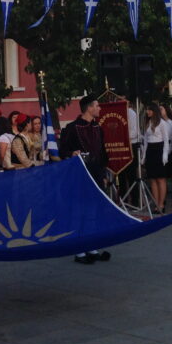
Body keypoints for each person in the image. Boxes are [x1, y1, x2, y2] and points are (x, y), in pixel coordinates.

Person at [59, 94, 111, 264]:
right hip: (80, 174)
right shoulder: (73, 128)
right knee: (80, 210)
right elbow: (62, 150)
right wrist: (71, 153)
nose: (100, 108)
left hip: (96, 173)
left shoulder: (97, 127)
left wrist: (103, 175)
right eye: (97, 105)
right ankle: (79, 250)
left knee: (93, 210)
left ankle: (92, 246)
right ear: (89, 108)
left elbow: (102, 154)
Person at [142, 103, 170, 212]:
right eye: (147, 110)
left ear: (155, 111)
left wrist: (165, 155)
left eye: (150, 110)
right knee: (152, 179)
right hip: (150, 150)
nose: (148, 112)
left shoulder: (162, 123)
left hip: (159, 150)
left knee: (161, 179)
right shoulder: (147, 122)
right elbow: (145, 140)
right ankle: (156, 204)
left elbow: (166, 140)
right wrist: (144, 156)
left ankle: (161, 204)